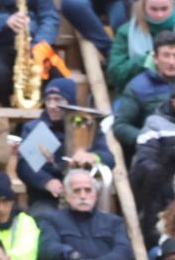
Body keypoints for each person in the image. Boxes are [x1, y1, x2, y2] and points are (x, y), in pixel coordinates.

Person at [21, 79, 119, 217]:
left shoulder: (87, 124)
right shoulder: (37, 128)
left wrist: (92, 156)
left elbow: (109, 158)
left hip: (83, 195)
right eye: (48, 100)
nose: (52, 106)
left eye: (58, 100)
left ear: (70, 101)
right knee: (45, 217)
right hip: (48, 199)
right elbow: (24, 166)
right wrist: (46, 182)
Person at [38, 170, 137, 260]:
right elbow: (48, 247)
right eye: (77, 191)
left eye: (88, 190)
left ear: (96, 194)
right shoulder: (52, 219)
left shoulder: (113, 222)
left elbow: (124, 251)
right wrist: (69, 253)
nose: (83, 196)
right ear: (67, 195)